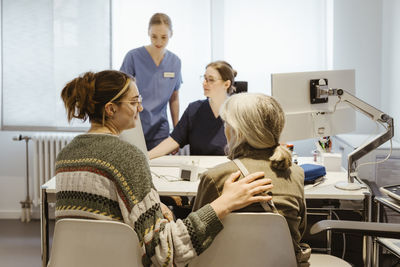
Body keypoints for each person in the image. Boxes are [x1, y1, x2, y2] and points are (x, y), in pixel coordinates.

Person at [56, 70, 273, 267]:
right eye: (134, 102)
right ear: (111, 109)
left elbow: (104, 214)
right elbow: (164, 252)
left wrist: (155, 206)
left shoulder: (66, 155)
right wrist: (223, 204)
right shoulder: (127, 157)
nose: (140, 108)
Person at [192, 93, 310, 266]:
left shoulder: (215, 177)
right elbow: (299, 231)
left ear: (237, 132)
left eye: (226, 124)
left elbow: (195, 236)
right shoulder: (296, 174)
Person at [149, 60, 236, 159]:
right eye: (204, 78)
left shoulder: (238, 112)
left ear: (226, 84)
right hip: (198, 170)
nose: (204, 83)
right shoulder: (194, 109)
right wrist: (146, 157)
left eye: (211, 80)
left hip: (227, 170)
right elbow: (173, 140)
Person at [120, 13, 181, 150]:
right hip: (133, 124)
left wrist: (177, 133)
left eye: (164, 37)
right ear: (148, 32)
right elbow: (121, 93)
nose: (159, 42)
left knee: (160, 169)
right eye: (154, 36)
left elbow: (174, 98)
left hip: (160, 129)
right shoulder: (133, 57)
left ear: (171, 34)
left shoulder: (175, 62)